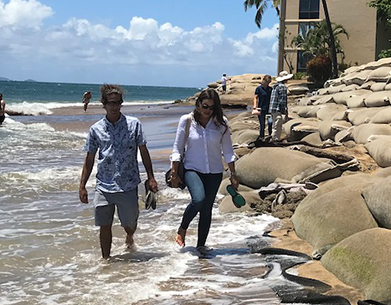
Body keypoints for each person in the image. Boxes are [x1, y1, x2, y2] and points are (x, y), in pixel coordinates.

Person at [78, 84, 158, 259]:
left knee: (130, 224)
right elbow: (90, 158)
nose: (114, 107)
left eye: (117, 103)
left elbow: (143, 151)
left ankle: (129, 236)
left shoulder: (134, 125)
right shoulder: (96, 129)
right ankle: (106, 261)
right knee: (104, 225)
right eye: (111, 103)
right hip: (103, 186)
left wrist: (151, 177)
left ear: (121, 104)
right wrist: (82, 185)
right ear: (104, 104)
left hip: (128, 184)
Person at [170, 88, 238, 253]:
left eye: (212, 108)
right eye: (205, 106)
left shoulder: (221, 123)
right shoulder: (187, 121)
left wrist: (233, 175)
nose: (208, 110)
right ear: (198, 104)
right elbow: (177, 149)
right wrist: (174, 172)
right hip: (192, 169)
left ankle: (201, 246)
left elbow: (228, 151)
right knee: (199, 199)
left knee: (207, 209)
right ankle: (182, 229)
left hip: (214, 172)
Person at [269, 71, 291, 143]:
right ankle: (275, 139)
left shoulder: (275, 86)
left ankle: (274, 138)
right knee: (278, 125)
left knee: (274, 124)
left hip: (272, 108)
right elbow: (282, 101)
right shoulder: (283, 87)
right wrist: (285, 111)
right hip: (278, 109)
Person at [253, 74, 273, 141]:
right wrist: (255, 105)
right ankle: (261, 137)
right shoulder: (259, 89)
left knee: (270, 122)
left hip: (269, 109)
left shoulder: (270, 89)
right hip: (261, 108)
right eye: (267, 82)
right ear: (264, 81)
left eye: (269, 82)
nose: (267, 83)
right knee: (262, 124)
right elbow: (255, 97)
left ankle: (270, 135)